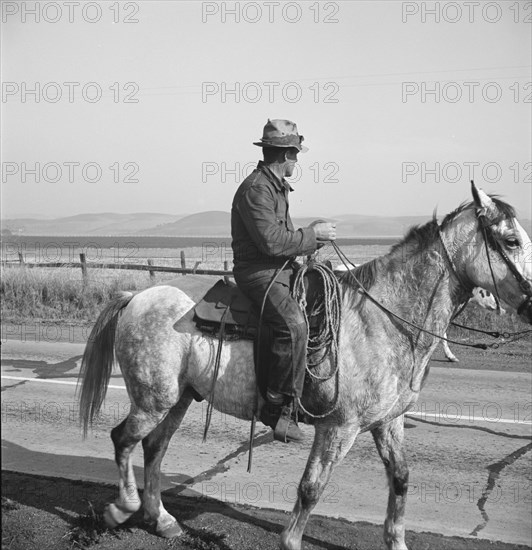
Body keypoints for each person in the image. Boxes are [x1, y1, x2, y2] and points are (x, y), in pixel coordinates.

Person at [231, 119, 336, 442]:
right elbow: (272, 243)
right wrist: (312, 235)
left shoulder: (275, 186)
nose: (297, 161)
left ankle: (309, 386)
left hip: (279, 268)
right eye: (295, 155)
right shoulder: (256, 189)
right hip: (258, 274)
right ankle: (276, 407)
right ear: (285, 154)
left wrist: (310, 249)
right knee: (293, 325)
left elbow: (284, 238)